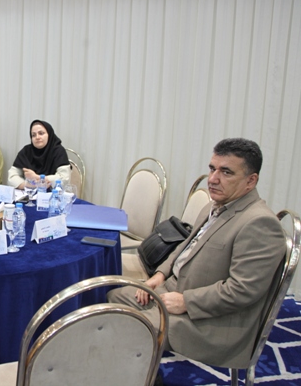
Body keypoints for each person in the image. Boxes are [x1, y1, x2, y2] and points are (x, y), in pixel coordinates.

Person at [108, 138, 286, 370]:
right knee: (112, 298)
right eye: (212, 169)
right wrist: (160, 275)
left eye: (226, 172)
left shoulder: (260, 223)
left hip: (209, 322)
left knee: (125, 325)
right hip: (172, 290)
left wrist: (186, 302)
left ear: (251, 181)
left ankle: (140, 375)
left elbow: (242, 290)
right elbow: (185, 247)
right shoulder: (215, 206)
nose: (213, 179)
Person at [7, 119, 70, 189]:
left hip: (54, 193)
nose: (37, 137)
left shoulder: (58, 151)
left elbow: (64, 178)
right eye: (33, 135)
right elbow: (12, 177)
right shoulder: (26, 151)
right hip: (30, 192)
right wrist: (31, 185)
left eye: (41, 133)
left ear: (49, 134)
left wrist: (37, 178)